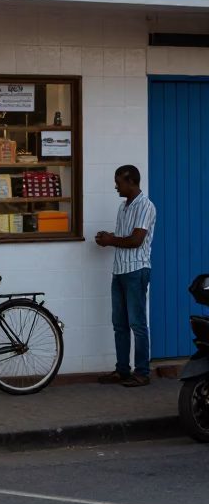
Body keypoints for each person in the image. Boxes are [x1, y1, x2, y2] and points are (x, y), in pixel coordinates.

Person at [95, 164, 156, 387]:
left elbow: (136, 240)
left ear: (131, 182)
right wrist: (109, 237)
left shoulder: (146, 206)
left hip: (137, 271)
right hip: (119, 271)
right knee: (119, 324)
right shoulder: (123, 207)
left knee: (137, 324)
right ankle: (122, 370)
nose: (115, 186)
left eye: (118, 181)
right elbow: (124, 237)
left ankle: (142, 372)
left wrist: (112, 241)